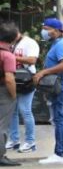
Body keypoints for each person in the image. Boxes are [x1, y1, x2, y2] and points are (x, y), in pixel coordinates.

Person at [33, 17, 63, 164]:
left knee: (60, 120)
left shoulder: (62, 45)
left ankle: (60, 154)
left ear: (56, 31)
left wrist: (43, 72)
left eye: (46, 29)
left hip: (62, 88)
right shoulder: (57, 44)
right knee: (62, 120)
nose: (43, 32)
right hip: (61, 88)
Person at [5, 23, 40, 154]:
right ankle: (14, 140)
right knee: (12, 111)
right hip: (14, 80)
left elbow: (32, 60)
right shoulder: (10, 43)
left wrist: (12, 57)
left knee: (25, 110)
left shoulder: (29, 43)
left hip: (26, 81)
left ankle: (30, 142)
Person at [0, 23, 21, 167]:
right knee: (2, 125)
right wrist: (13, 96)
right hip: (3, 92)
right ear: (13, 39)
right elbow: (9, 79)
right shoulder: (7, 55)